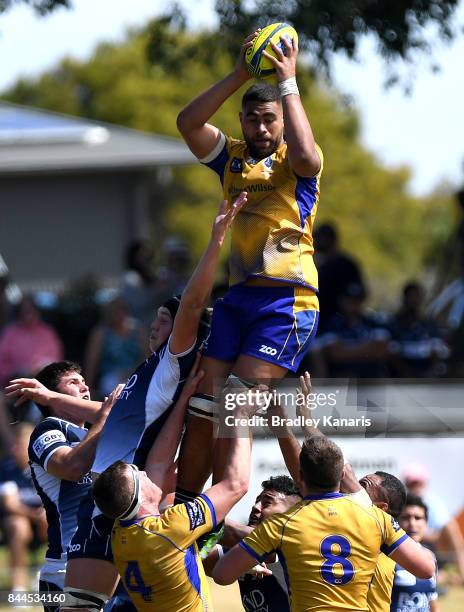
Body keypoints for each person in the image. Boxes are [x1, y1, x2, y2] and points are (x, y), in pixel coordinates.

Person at [58, 193, 247, 612]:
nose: (155, 325)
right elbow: (114, 418)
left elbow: (194, 302)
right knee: (80, 605)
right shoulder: (146, 373)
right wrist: (52, 396)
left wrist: (217, 239)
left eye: (166, 319)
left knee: (84, 604)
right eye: (159, 318)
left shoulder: (171, 362)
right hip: (107, 493)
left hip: (129, 499)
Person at [176, 28, 323, 499]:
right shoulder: (232, 160)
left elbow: (307, 154)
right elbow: (187, 122)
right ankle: (185, 512)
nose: (262, 128)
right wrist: (239, 73)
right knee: (202, 408)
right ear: (242, 120)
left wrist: (289, 84)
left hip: (287, 302)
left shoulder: (294, 164)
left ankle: (226, 501)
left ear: (282, 121)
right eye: (253, 120)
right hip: (237, 300)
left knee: (234, 406)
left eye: (270, 120)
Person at [92, 368, 264, 612]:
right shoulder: (170, 529)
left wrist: (184, 400)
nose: (143, 472)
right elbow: (236, 485)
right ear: (141, 497)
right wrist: (241, 417)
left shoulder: (122, 529)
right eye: (138, 475)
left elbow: (158, 464)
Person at [213, 436, 435, 611]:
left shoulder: (282, 524)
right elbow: (426, 568)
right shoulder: (375, 518)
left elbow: (222, 575)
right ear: (341, 476)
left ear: (300, 477)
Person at [25, 361, 118, 611]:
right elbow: (71, 467)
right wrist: (105, 417)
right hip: (65, 567)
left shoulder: (101, 433)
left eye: (84, 380)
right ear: (52, 397)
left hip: (109, 559)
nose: (84, 385)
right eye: (73, 382)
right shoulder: (48, 430)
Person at [204, 475, 301, 612]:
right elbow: (200, 556)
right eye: (257, 501)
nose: (255, 507)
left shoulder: (296, 552)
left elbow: (228, 530)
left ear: (290, 515)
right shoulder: (242, 553)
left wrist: (195, 517)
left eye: (267, 503)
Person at [0, 422, 47, 591]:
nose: (15, 449)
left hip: (44, 522)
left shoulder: (45, 468)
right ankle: (18, 587)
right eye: (14, 445)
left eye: (20, 445)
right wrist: (36, 515)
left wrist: (44, 515)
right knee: (18, 526)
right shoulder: (7, 468)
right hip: (15, 521)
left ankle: (43, 576)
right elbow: (10, 504)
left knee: (54, 520)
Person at [84, 296, 146, 398]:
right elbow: (92, 362)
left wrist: (132, 372)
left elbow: (148, 356)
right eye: (115, 311)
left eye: (122, 309)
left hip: (136, 374)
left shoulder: (138, 330)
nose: (119, 314)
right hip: (110, 378)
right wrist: (88, 388)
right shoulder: (101, 333)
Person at [392, 495, 439, 612]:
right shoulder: (388, 556)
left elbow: (432, 600)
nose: (412, 523)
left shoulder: (430, 556)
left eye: (418, 518)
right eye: (406, 517)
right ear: (397, 522)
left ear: (426, 523)